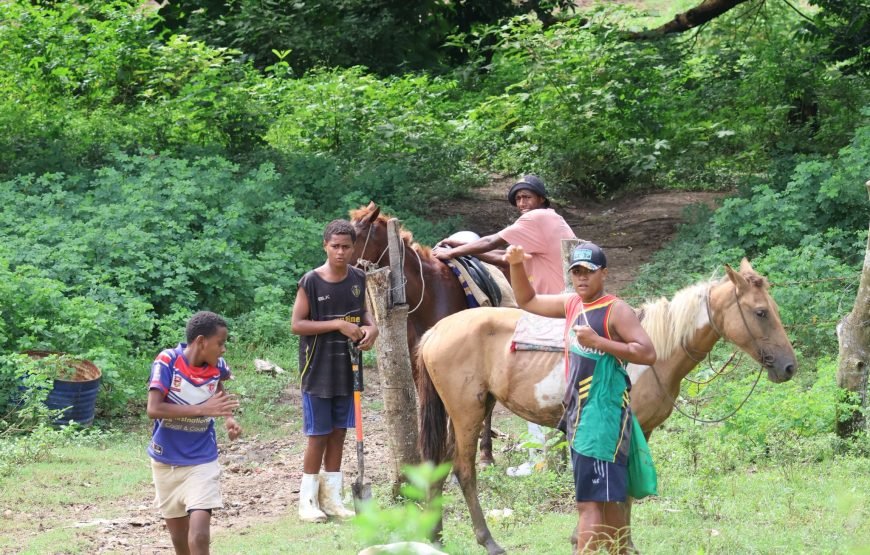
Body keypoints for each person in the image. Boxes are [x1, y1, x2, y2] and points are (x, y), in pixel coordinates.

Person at [505, 242, 656, 554]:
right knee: (609, 498)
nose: (582, 278)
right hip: (580, 414)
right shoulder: (573, 303)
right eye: (577, 272)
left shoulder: (616, 310)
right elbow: (527, 299)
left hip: (602, 416)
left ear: (604, 274)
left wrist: (599, 341)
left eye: (589, 271)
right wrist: (517, 265)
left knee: (589, 505)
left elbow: (647, 352)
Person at [432, 174, 575, 471]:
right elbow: (505, 257)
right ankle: (552, 455)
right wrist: (466, 249)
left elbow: (491, 242)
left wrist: (453, 252)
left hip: (551, 304)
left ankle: (540, 458)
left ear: (541, 200)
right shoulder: (548, 222)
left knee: (532, 379)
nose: (523, 203)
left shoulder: (536, 218)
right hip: (560, 302)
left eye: (528, 197)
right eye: (518, 199)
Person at [291, 219, 379, 522]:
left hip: (348, 366)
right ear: (325, 246)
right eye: (335, 246)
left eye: (345, 247)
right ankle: (307, 502)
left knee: (339, 432)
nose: (340, 252)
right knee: (318, 434)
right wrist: (338, 324)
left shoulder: (358, 278)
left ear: (354, 248)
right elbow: (297, 324)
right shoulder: (311, 281)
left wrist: (372, 328)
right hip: (317, 368)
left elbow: (363, 312)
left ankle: (333, 499)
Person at [147, 310, 242, 555]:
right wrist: (201, 409)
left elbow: (217, 385)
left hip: (202, 459)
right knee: (181, 543)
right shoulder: (168, 361)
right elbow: (154, 408)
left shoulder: (217, 366)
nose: (223, 350)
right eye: (220, 343)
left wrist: (228, 417)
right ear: (201, 341)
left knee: (199, 536)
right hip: (166, 461)